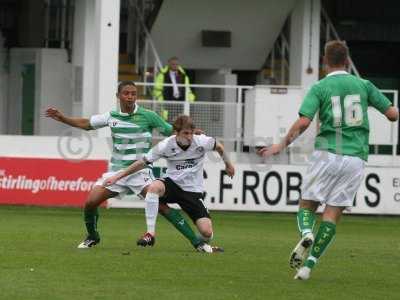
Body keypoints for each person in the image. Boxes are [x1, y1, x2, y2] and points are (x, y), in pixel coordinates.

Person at [257, 40, 398, 280]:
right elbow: (393, 115)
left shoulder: (320, 87)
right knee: (332, 215)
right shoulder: (364, 85)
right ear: (346, 60)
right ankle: (308, 267)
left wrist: (280, 145)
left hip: (327, 153)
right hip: (355, 157)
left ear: (325, 61)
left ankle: (306, 232)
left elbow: (303, 122)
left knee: (307, 205)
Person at [45, 81, 204, 249]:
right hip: (117, 172)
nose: (130, 97)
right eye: (126, 93)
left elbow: (170, 130)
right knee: (90, 202)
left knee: (162, 207)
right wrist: (62, 118)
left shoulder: (148, 115)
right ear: (118, 96)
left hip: (140, 172)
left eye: (133, 93)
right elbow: (86, 124)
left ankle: (197, 242)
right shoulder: (111, 116)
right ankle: (93, 236)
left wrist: (192, 134)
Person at [104, 115, 235, 253]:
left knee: (206, 232)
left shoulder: (201, 141)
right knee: (154, 188)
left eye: (190, 133)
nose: (189, 137)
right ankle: (150, 234)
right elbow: (142, 162)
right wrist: (118, 176)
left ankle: (202, 244)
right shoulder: (165, 145)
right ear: (176, 133)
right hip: (172, 185)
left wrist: (228, 165)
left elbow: (219, 146)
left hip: (193, 191)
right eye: (185, 133)